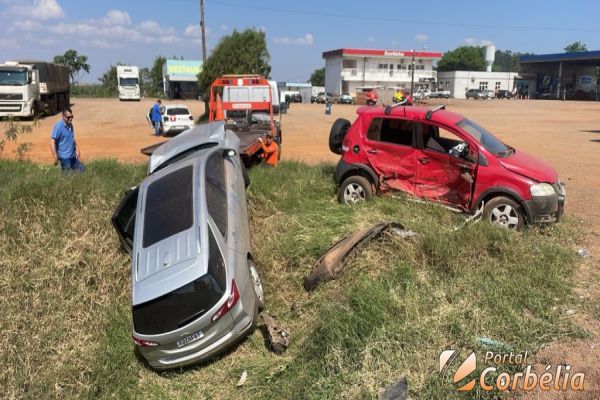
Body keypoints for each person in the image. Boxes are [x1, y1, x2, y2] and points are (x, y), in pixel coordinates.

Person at [49, 108, 84, 172]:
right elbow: (52, 142)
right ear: (63, 117)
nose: (70, 119)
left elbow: (71, 138)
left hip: (72, 156)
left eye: (72, 117)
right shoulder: (59, 126)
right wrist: (55, 157)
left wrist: (77, 149)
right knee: (68, 175)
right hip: (64, 157)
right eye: (68, 117)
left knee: (81, 171)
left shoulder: (71, 125)